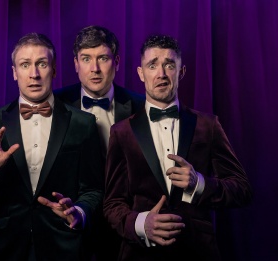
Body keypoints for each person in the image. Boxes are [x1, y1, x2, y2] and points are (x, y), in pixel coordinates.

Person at [103, 34, 253, 261]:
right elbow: (112, 204)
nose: (161, 74)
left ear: (181, 72)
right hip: (140, 254)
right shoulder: (121, 132)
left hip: (197, 251)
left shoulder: (208, 125)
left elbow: (242, 189)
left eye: (169, 65)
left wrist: (199, 184)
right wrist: (141, 224)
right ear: (141, 73)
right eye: (152, 65)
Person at [0, 33, 104, 260]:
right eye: (25, 65)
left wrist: (78, 212)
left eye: (42, 64)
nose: (34, 74)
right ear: (14, 72)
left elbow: (94, 189)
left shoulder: (83, 123)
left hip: (63, 248)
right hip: (4, 250)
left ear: (54, 70)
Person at [54, 25, 145, 260]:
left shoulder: (140, 106)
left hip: (126, 227)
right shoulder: (56, 104)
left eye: (102, 58)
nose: (94, 69)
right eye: (86, 59)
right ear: (75, 63)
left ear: (116, 62)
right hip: (70, 225)